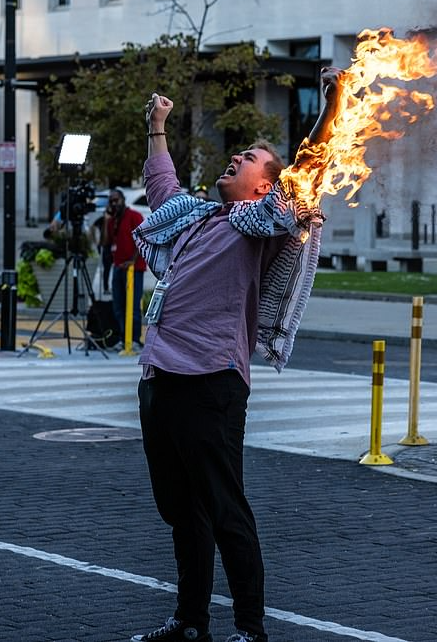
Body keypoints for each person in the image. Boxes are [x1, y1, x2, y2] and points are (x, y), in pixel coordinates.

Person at [130, 68, 341, 642]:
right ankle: (189, 621)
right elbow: (161, 187)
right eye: (238, 151)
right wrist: (157, 126)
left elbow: (308, 173)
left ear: (264, 186)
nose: (235, 158)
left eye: (248, 157)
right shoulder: (197, 219)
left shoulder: (264, 228)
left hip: (212, 382)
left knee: (225, 511)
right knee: (181, 513)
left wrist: (332, 106)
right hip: (159, 378)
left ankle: (250, 628)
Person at [104, 188, 147, 348]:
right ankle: (124, 338)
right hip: (118, 266)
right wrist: (106, 219)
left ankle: (134, 338)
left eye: (117, 200)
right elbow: (105, 243)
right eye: (111, 201)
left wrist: (132, 260)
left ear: (123, 200)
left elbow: (143, 238)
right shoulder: (112, 220)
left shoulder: (134, 216)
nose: (114, 204)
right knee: (118, 305)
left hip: (133, 268)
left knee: (133, 306)